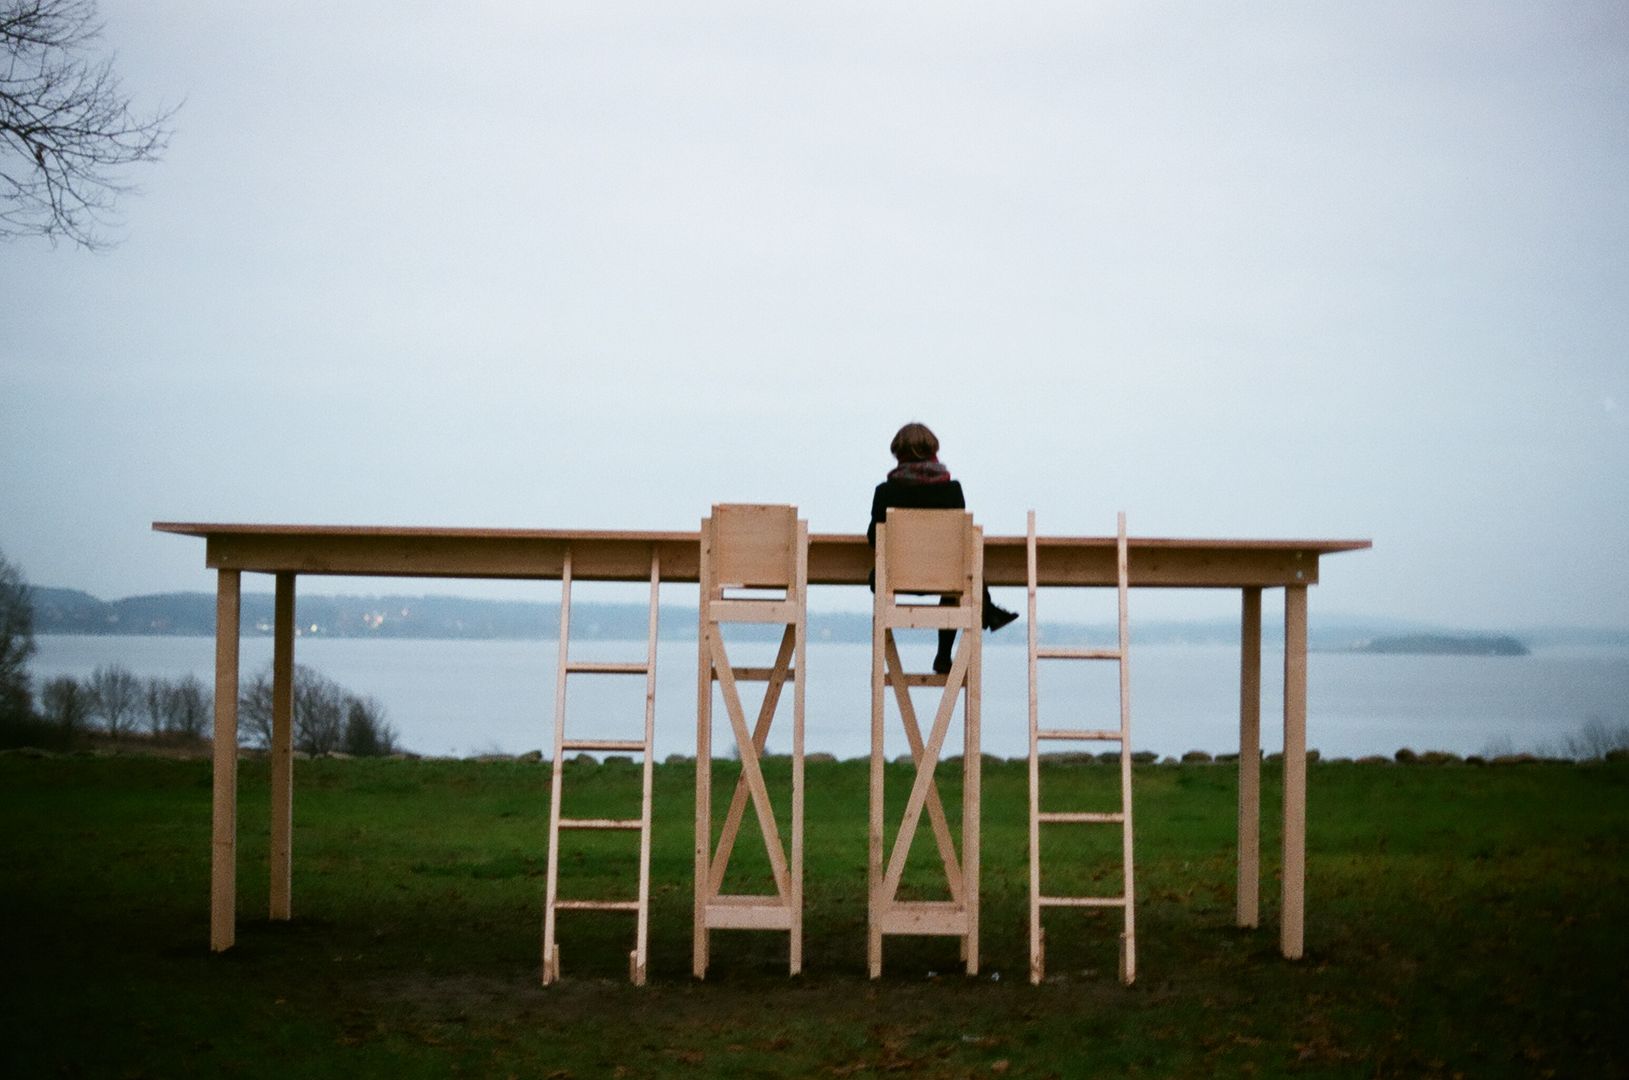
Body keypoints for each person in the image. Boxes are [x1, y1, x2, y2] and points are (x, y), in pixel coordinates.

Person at [868, 422, 1018, 674]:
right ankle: (946, 652)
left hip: (895, 579)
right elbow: (959, 540)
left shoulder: (884, 492)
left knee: (959, 575)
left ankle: (989, 613)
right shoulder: (952, 490)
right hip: (945, 578)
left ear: (897, 454)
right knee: (961, 577)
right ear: (933, 451)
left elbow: (874, 537)